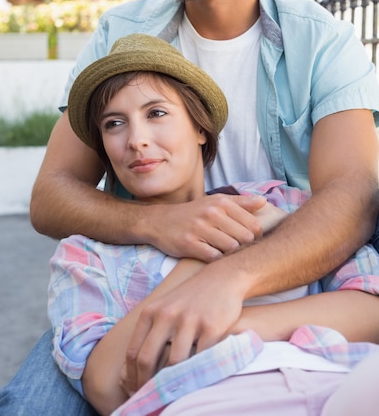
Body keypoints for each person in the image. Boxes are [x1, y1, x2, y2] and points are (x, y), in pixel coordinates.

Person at [0, 0, 379, 416]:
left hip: (289, 283)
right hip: (135, 293)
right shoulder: (123, 33)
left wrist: (228, 280)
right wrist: (160, 227)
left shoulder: (322, 42)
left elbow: (354, 198)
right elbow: (51, 194)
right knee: (27, 408)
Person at [48, 33, 379, 416]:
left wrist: (226, 323)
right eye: (114, 124)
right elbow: (107, 385)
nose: (136, 140)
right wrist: (214, 251)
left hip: (340, 381)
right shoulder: (85, 255)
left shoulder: (278, 202)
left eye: (156, 113)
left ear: (200, 127)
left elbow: (371, 310)